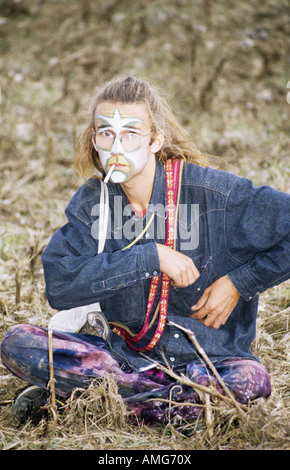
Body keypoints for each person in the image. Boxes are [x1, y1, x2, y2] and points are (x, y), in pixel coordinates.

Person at [1, 76, 289, 426]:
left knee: (250, 382)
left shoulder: (214, 194)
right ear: (94, 140)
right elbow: (60, 285)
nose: (116, 147)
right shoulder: (95, 203)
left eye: (131, 134)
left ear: (156, 140)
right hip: (121, 359)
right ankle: (169, 408)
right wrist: (150, 257)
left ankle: (101, 401)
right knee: (18, 343)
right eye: (106, 134)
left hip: (209, 363)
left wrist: (241, 282)